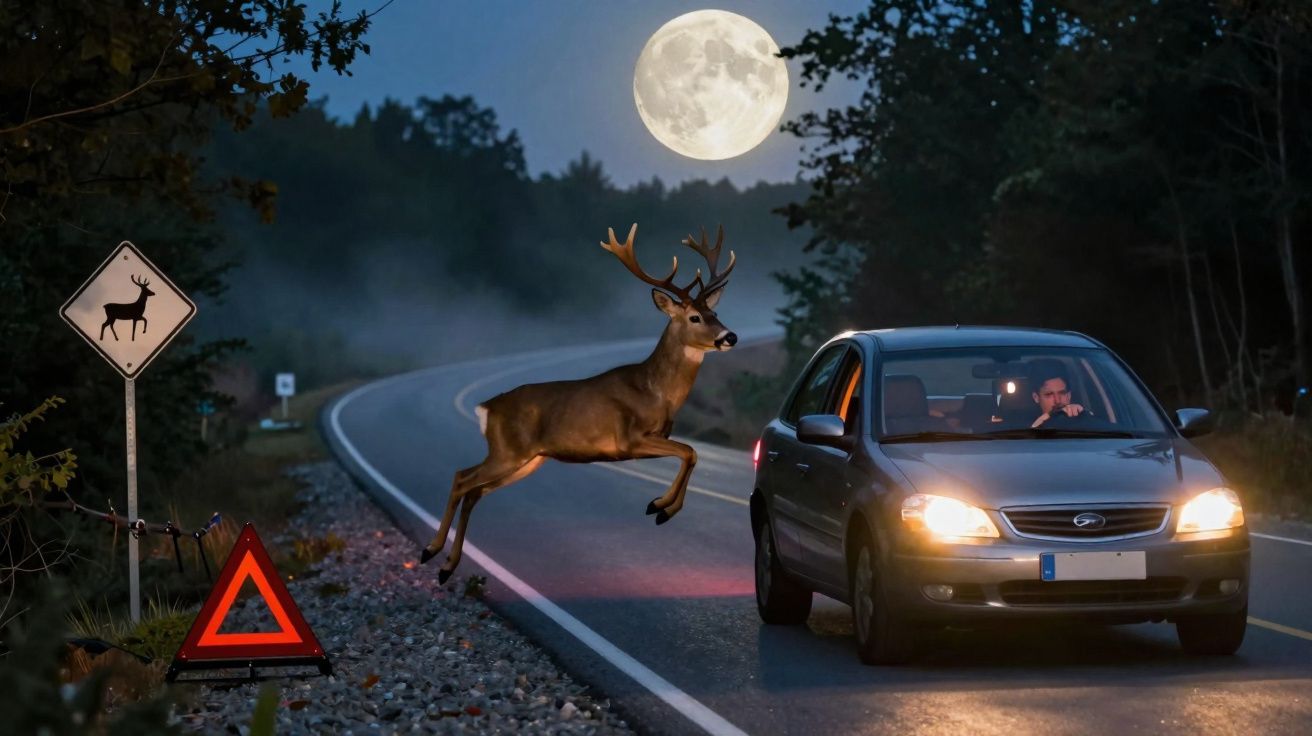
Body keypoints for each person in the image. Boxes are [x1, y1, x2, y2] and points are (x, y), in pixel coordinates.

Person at [1028, 359, 1086, 428]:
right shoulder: (1020, 427)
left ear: (1069, 395)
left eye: (1062, 393)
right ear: (1036, 397)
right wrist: (1036, 427)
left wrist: (1083, 415)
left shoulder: (1083, 423)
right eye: (1049, 394)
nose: (1057, 401)